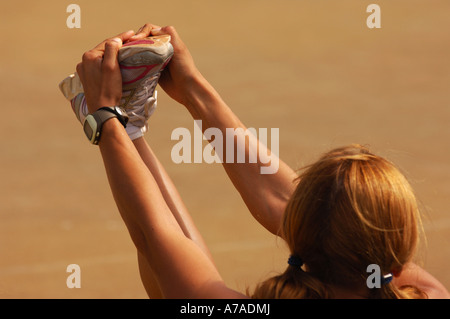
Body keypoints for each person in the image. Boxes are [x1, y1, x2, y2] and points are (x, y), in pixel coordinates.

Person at [73, 23, 450, 299]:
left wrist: (106, 119)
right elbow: (290, 207)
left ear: (297, 229)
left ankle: (132, 128)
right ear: (398, 261)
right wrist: (191, 88)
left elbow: (157, 238)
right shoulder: (427, 293)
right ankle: (132, 125)